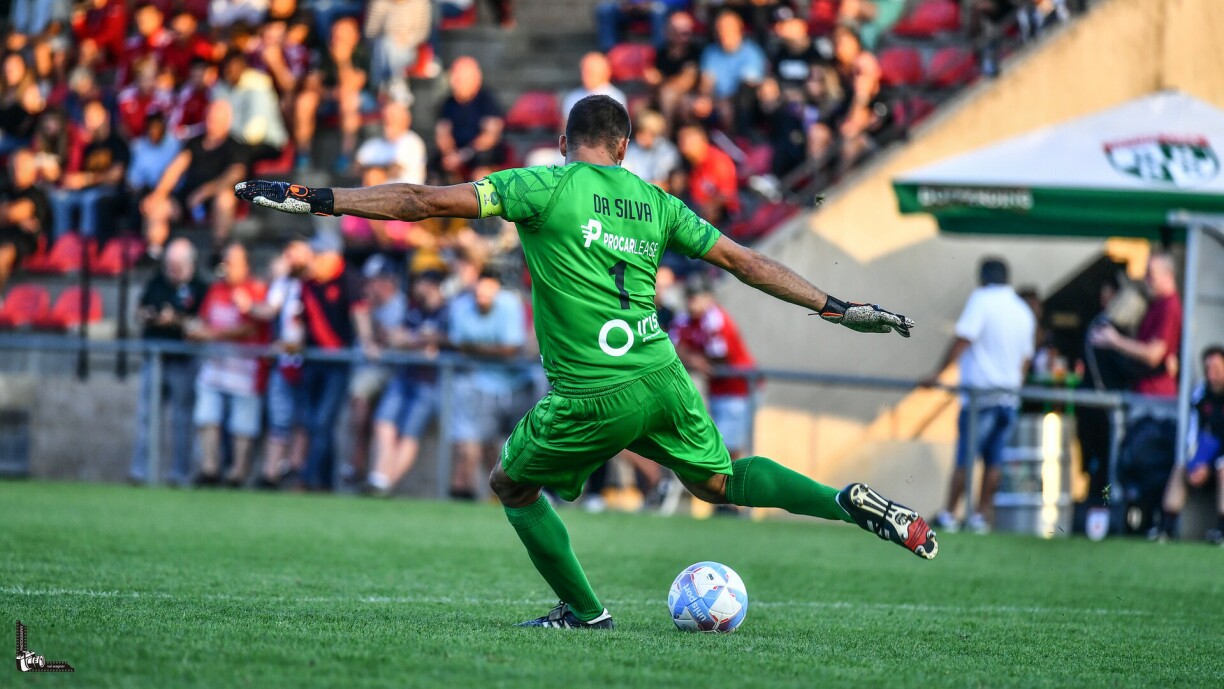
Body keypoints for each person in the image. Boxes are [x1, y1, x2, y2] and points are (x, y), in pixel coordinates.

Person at [236, 93, 934, 631]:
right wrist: (835, 306)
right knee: (719, 480)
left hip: (593, 390)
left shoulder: (545, 185)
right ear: (626, 149)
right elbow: (743, 260)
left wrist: (316, 198)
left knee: (510, 483)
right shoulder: (659, 202)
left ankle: (584, 612)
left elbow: (422, 200)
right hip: (664, 372)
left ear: (564, 143)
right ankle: (842, 502)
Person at [924, 258, 1035, 534]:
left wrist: (938, 374)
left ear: (983, 278)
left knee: (966, 457)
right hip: (1008, 396)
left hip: (980, 396)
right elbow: (1025, 360)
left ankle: (950, 514)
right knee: (994, 462)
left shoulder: (982, 299)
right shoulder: (1023, 310)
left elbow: (964, 338)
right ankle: (980, 517)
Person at [295, 234, 377, 491]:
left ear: (332, 256)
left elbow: (359, 312)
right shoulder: (308, 282)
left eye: (318, 256)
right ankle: (324, 482)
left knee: (322, 421)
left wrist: (366, 341)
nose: (314, 261)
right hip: (311, 359)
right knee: (313, 422)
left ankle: (308, 481)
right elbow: (300, 317)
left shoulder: (348, 278)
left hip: (337, 363)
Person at [128, 238, 210, 486]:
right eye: (169, 265)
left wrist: (175, 320)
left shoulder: (200, 287)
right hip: (154, 359)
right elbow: (140, 309)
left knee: (181, 419)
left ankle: (179, 474)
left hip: (182, 361)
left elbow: (203, 325)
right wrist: (147, 315)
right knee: (146, 416)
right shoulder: (158, 281)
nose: (171, 270)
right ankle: (141, 472)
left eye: (177, 265)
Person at [187, 243, 268, 486]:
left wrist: (212, 335)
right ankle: (209, 469)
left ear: (246, 265)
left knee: (242, 425)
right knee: (206, 417)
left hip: (245, 369)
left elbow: (253, 326)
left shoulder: (255, 290)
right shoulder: (215, 290)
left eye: (232, 262)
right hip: (215, 367)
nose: (227, 267)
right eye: (225, 261)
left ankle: (237, 473)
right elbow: (204, 320)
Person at [366, 270, 450, 496]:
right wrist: (419, 341)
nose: (415, 287)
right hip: (404, 376)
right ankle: (379, 478)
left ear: (432, 284)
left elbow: (447, 339)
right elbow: (396, 338)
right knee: (383, 423)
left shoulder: (447, 310)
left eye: (419, 282)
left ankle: (384, 483)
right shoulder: (415, 310)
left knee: (409, 434)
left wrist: (415, 340)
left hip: (430, 382)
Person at [446, 268, 527, 499]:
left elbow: (510, 350)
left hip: (516, 388)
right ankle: (478, 495)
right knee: (471, 447)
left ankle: (515, 495)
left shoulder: (510, 305)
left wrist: (473, 348)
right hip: (477, 385)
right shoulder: (461, 307)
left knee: (512, 449)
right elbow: (459, 347)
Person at [140, 101, 249, 261]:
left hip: (213, 200)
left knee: (225, 199)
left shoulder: (236, 146)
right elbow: (176, 168)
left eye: (217, 120)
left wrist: (204, 192)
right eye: (210, 118)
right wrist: (159, 194)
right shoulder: (195, 143)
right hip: (187, 199)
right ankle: (153, 252)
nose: (212, 123)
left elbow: (235, 174)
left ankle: (218, 252)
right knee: (157, 205)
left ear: (227, 122)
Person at [672, 275, 758, 462]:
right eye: (689, 297)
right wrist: (693, 359)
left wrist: (690, 357)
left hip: (738, 388)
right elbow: (672, 346)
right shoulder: (687, 317)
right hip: (717, 388)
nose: (691, 302)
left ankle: (732, 488)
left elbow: (719, 358)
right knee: (718, 445)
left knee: (728, 448)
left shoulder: (714, 317)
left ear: (708, 297)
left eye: (696, 297)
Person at [1150, 345, 1224, 543]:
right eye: (1208, 369)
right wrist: (1194, 463)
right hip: (1204, 460)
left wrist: (1210, 466)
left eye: (1216, 369)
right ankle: (1165, 528)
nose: (1212, 375)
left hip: (1218, 463)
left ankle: (1221, 531)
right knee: (1180, 466)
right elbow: (1192, 430)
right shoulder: (1201, 394)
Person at [49, 99, 128, 240]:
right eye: (87, 117)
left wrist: (86, 180)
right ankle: (61, 244)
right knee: (58, 197)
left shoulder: (117, 142)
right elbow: (77, 173)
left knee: (89, 199)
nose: (90, 121)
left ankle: (87, 246)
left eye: (94, 116)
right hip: (85, 190)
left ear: (106, 116)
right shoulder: (88, 147)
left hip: (109, 192)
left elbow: (116, 175)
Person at [434, 57, 507, 184]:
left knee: (482, 167)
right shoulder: (448, 103)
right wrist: (450, 155)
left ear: (476, 79)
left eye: (460, 79)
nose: (455, 83)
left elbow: (490, 136)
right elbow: (443, 133)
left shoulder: (487, 101)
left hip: (479, 154)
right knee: (435, 166)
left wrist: (464, 155)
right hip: (455, 154)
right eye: (454, 78)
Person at [0, 149, 50, 293]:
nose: (17, 170)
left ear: (32, 169)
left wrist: (9, 214)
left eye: (22, 166)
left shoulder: (36, 194)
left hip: (22, 242)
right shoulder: (5, 189)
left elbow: (13, 214)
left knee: (2, 254)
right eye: (14, 166)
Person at [622, 109, 679, 191]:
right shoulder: (632, 149)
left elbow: (660, 183)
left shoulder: (668, 151)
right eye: (639, 131)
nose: (639, 136)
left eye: (644, 132)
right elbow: (624, 176)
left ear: (655, 133)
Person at [562, 53, 628, 122]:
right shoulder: (572, 97)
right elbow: (565, 127)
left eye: (590, 72)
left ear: (605, 72)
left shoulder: (616, 98)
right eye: (583, 71)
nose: (584, 76)